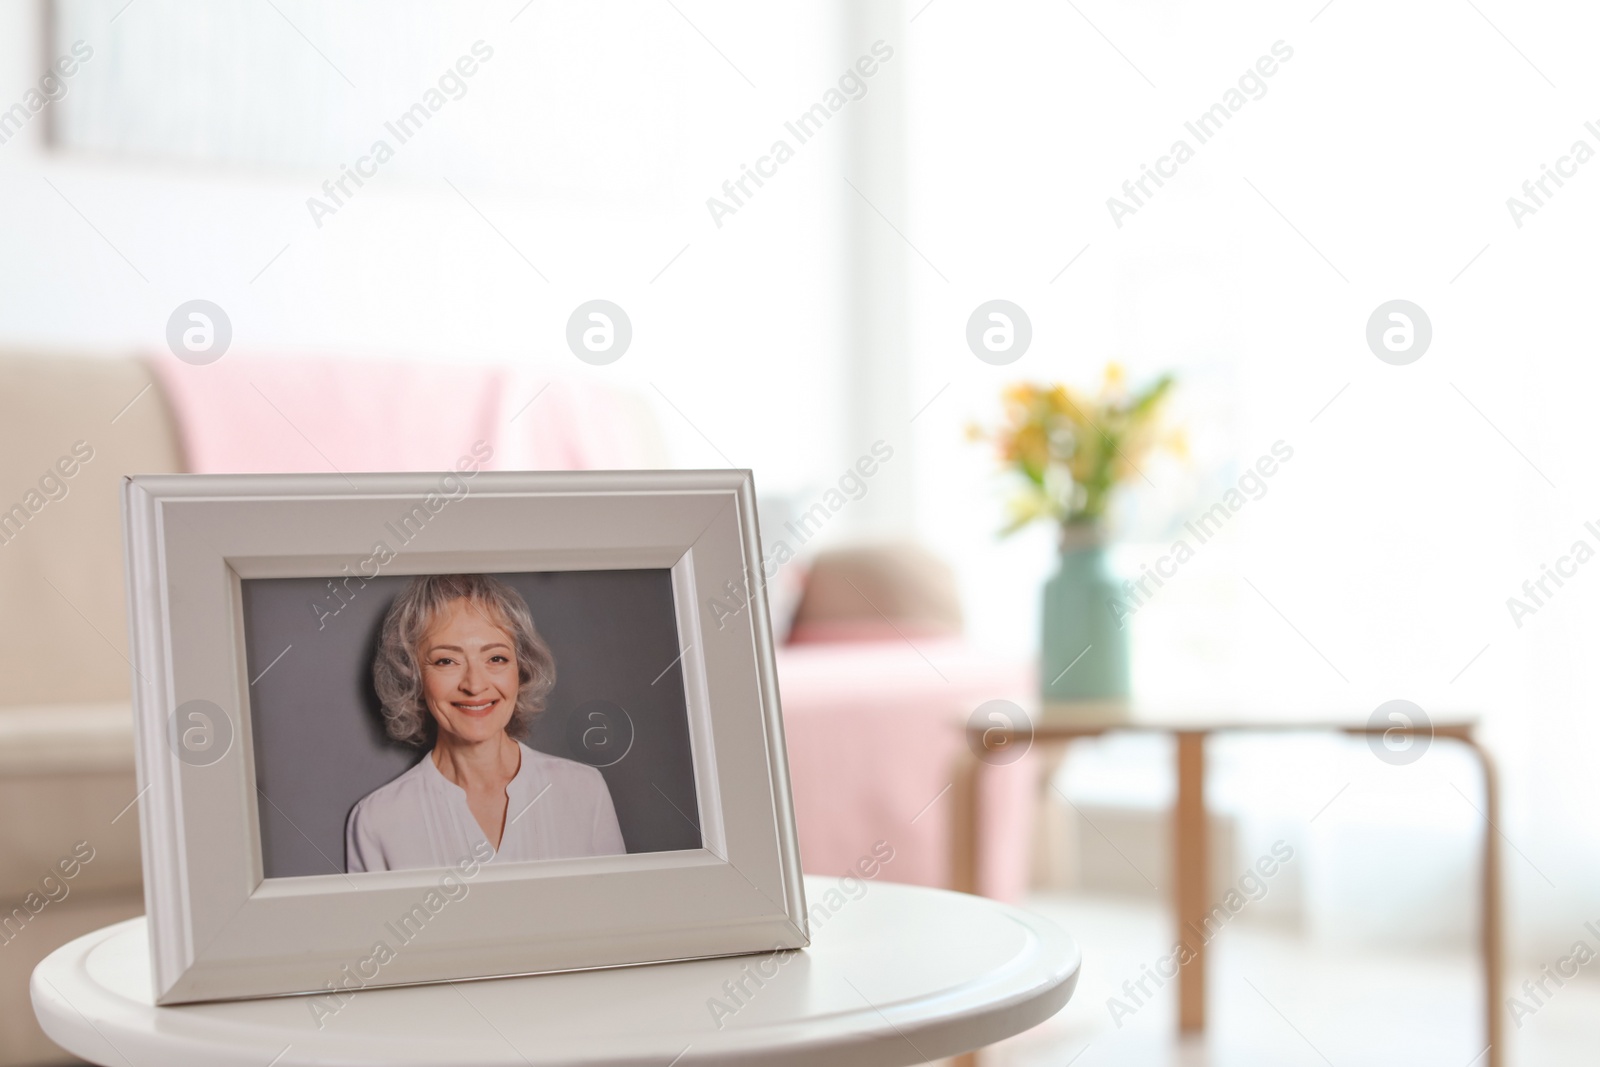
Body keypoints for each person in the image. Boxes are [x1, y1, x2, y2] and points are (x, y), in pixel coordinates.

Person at [346, 573, 624, 872]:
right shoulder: (379, 821)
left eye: (496, 658)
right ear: (413, 676)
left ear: (522, 667)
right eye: (446, 661)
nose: (475, 685)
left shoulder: (584, 791)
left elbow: (625, 916)